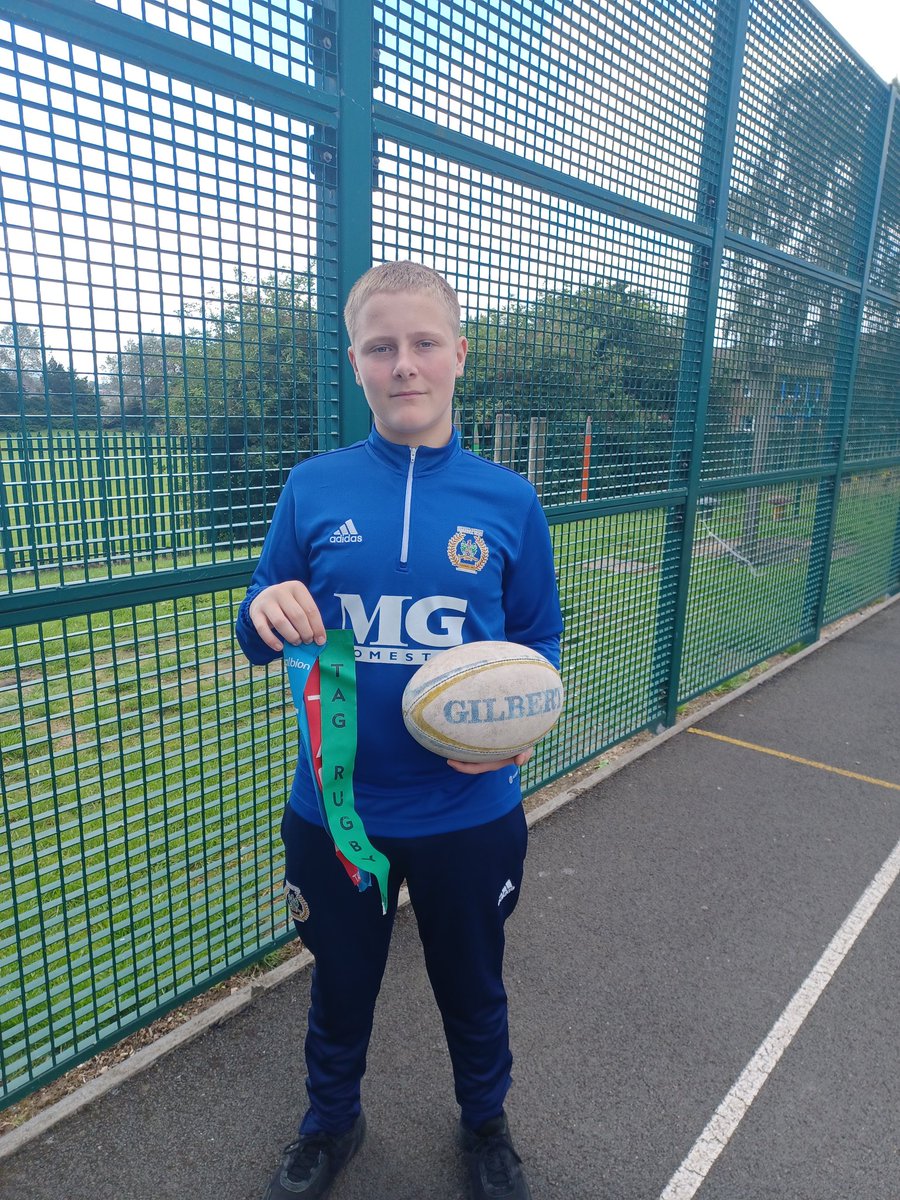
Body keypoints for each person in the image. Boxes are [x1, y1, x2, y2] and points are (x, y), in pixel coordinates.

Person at [235, 261, 563, 1200]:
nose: (404, 365)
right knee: (341, 987)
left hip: (470, 808)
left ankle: (487, 1127)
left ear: (461, 355)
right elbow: (259, 623)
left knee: (474, 989)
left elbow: (538, 640)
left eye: (424, 344)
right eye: (383, 347)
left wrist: (519, 733)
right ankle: (329, 1126)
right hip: (338, 810)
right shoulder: (312, 487)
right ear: (357, 364)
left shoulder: (509, 502)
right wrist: (269, 609)